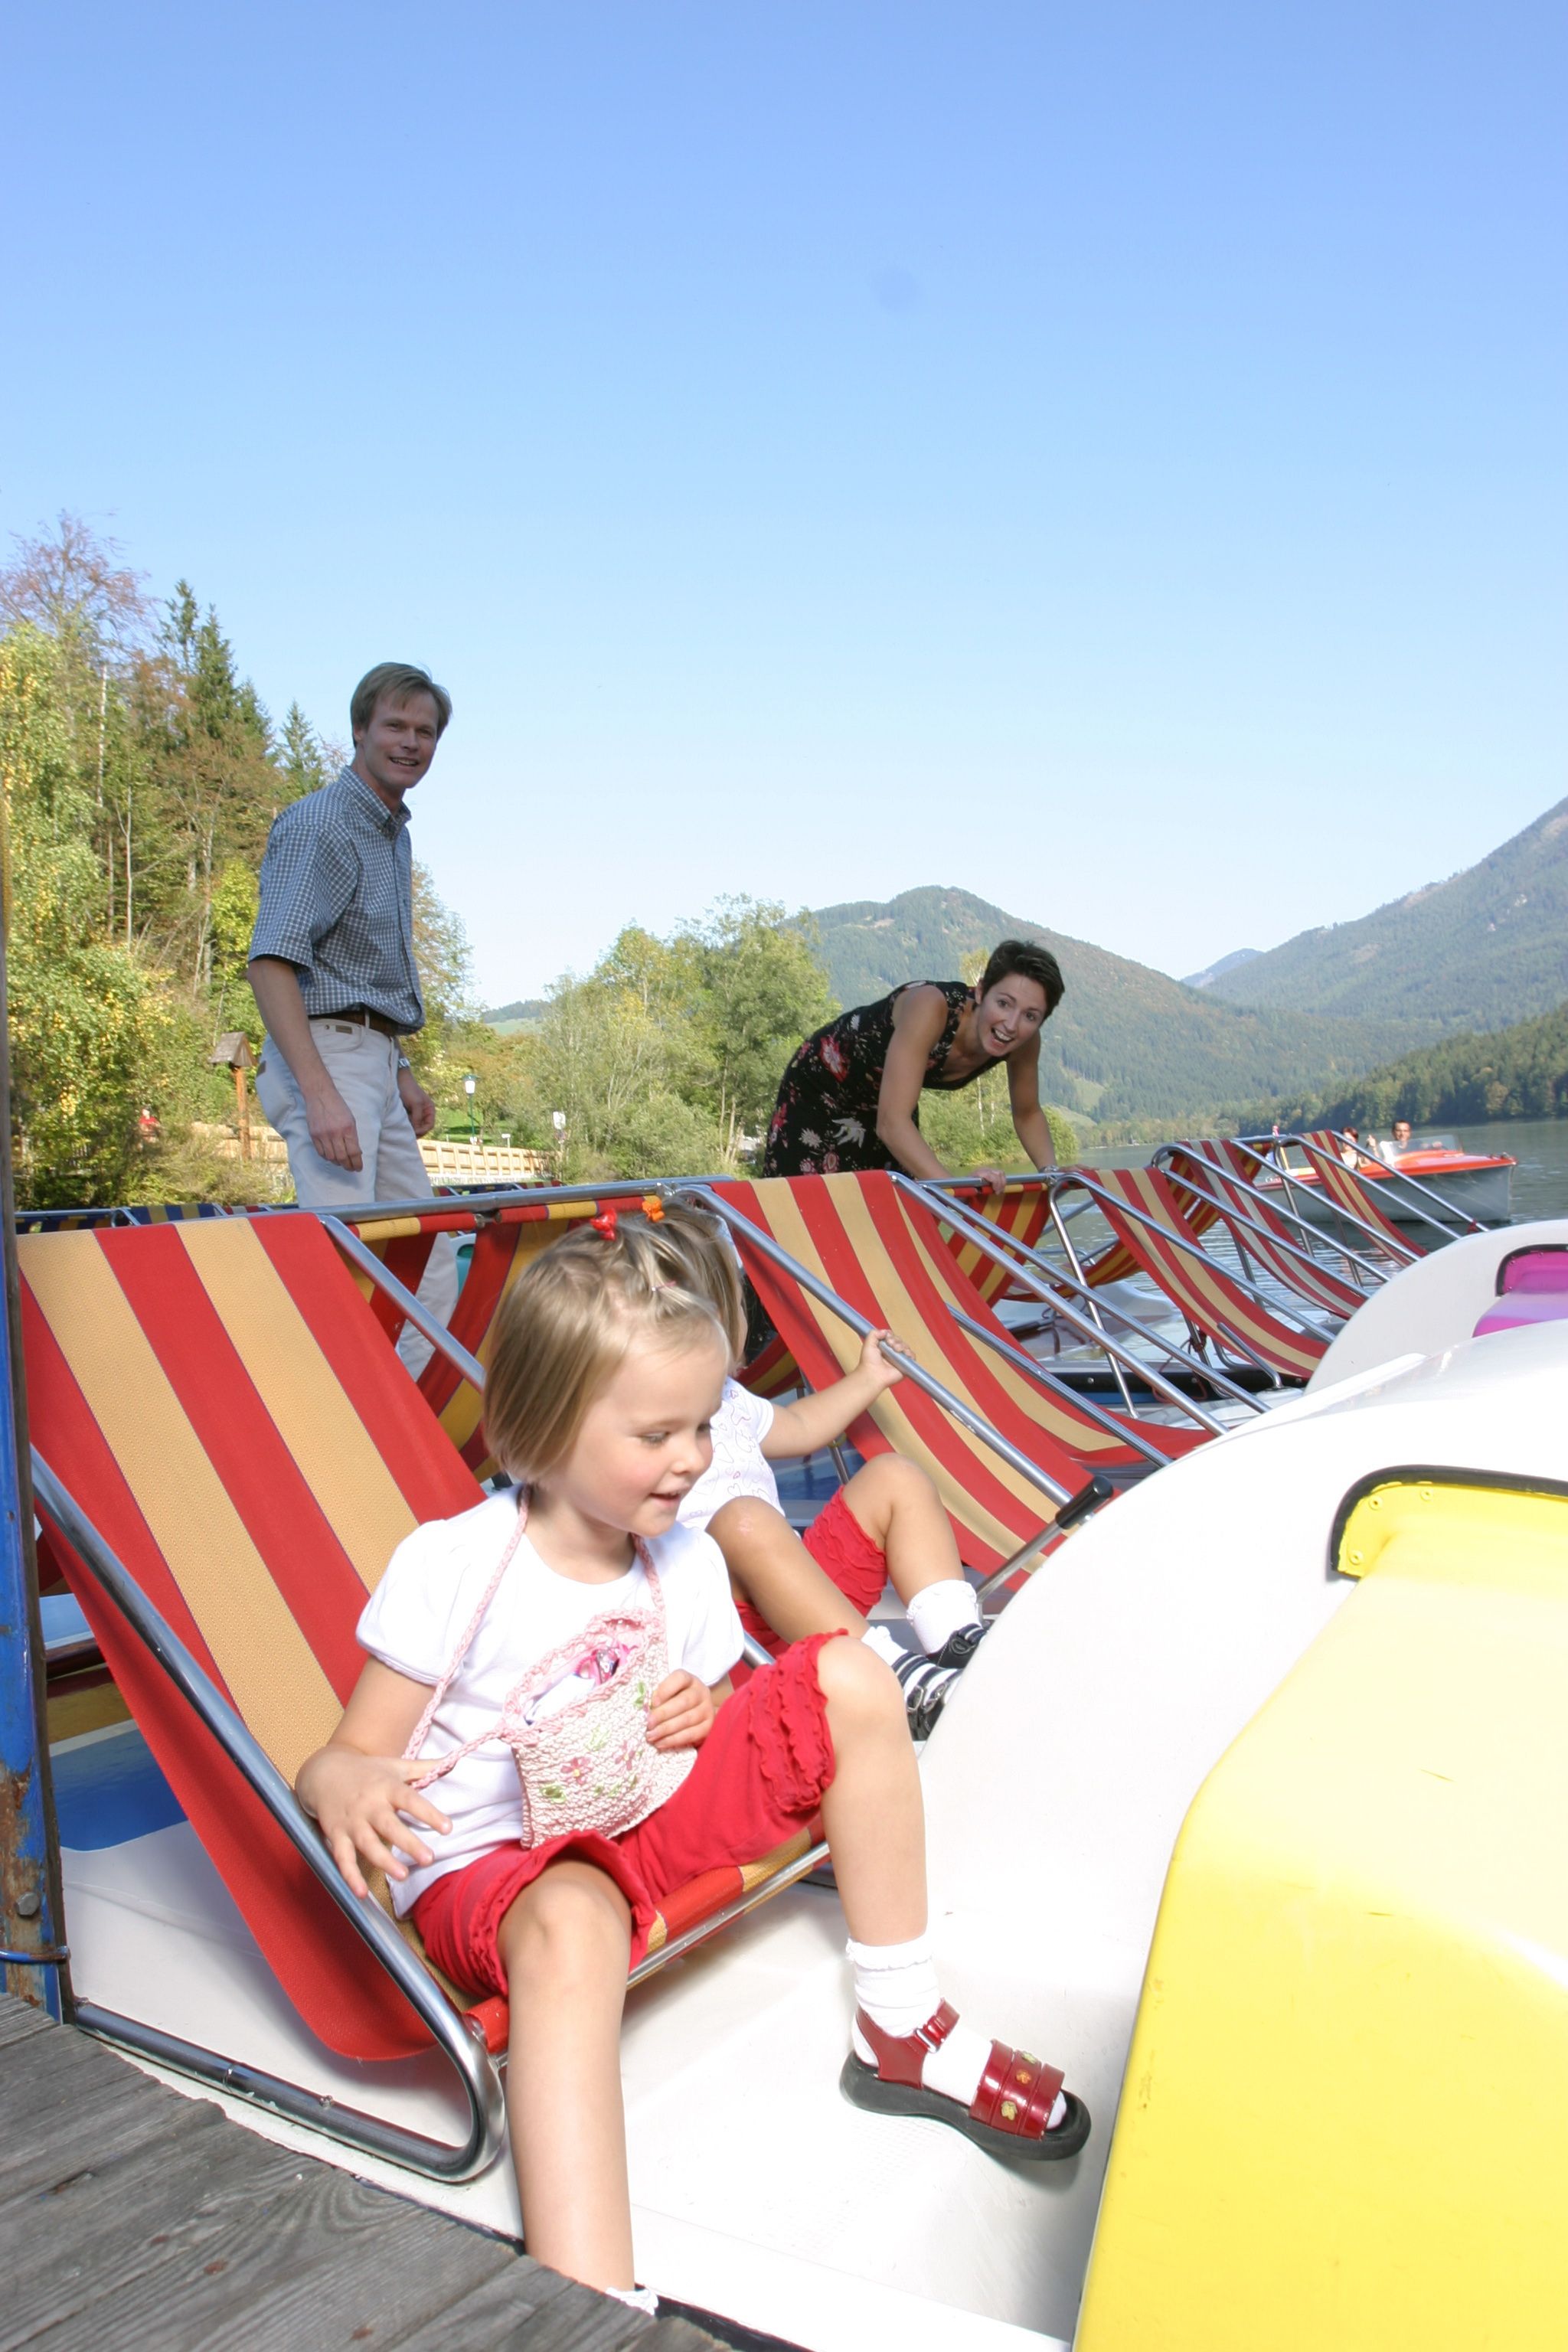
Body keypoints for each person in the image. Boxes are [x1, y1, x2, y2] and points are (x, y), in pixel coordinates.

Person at [296, 1215, 1088, 2313]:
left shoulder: (686, 1564)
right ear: (539, 1429)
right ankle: (582, 2296)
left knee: (848, 1676)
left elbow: (722, 1711)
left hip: (636, 1829)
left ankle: (901, 2022)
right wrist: (343, 1783)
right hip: (501, 1883)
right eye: (657, 1434)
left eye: (706, 1425)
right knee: (575, 1909)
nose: (692, 1461)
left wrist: (701, 1710)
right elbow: (343, 1760)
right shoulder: (456, 1566)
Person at [647, 1199, 988, 1738]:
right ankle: (891, 1677)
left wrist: (867, 1378)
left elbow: (801, 1425)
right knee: (745, 1520)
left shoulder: (733, 1399)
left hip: (805, 1603)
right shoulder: (636, 1421)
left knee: (895, 1476)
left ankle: (957, 1641)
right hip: (726, 1634)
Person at [248, 662, 459, 1374]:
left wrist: (398, 1068)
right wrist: (320, 1092)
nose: (410, 742)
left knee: (427, 1254)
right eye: (395, 726)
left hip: (369, 1055)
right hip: (325, 1059)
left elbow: (354, 970)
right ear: (360, 729)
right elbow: (272, 962)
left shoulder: (391, 832)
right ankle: (328, 1434)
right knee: (338, 1262)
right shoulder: (322, 823)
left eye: (424, 731)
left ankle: (404, 1430)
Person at [761, 939, 1065, 1191]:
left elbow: (1027, 1113)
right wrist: (956, 1188)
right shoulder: (931, 1006)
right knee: (801, 1208)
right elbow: (892, 1123)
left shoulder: (1025, 1042)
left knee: (895, 1214)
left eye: (1030, 1015)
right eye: (1004, 1003)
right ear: (982, 991)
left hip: (887, 1101)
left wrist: (1054, 1175)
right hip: (820, 1091)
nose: (1011, 1025)